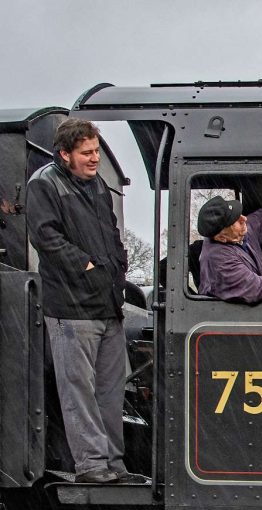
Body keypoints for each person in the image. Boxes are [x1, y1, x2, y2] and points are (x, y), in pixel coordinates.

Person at [26, 118, 146, 484]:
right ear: (65, 154)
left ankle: (114, 464)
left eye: (96, 150)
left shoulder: (98, 187)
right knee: (79, 391)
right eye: (87, 152)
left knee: (111, 392)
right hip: (71, 308)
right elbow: (45, 237)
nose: (94, 158)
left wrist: (118, 267)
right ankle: (92, 466)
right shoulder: (43, 185)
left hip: (108, 306)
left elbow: (112, 234)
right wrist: (88, 266)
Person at [198, 196, 262, 303]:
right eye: (235, 221)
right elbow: (256, 288)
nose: (244, 219)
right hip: (227, 317)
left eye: (238, 215)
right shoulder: (218, 259)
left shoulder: (238, 233)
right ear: (221, 238)